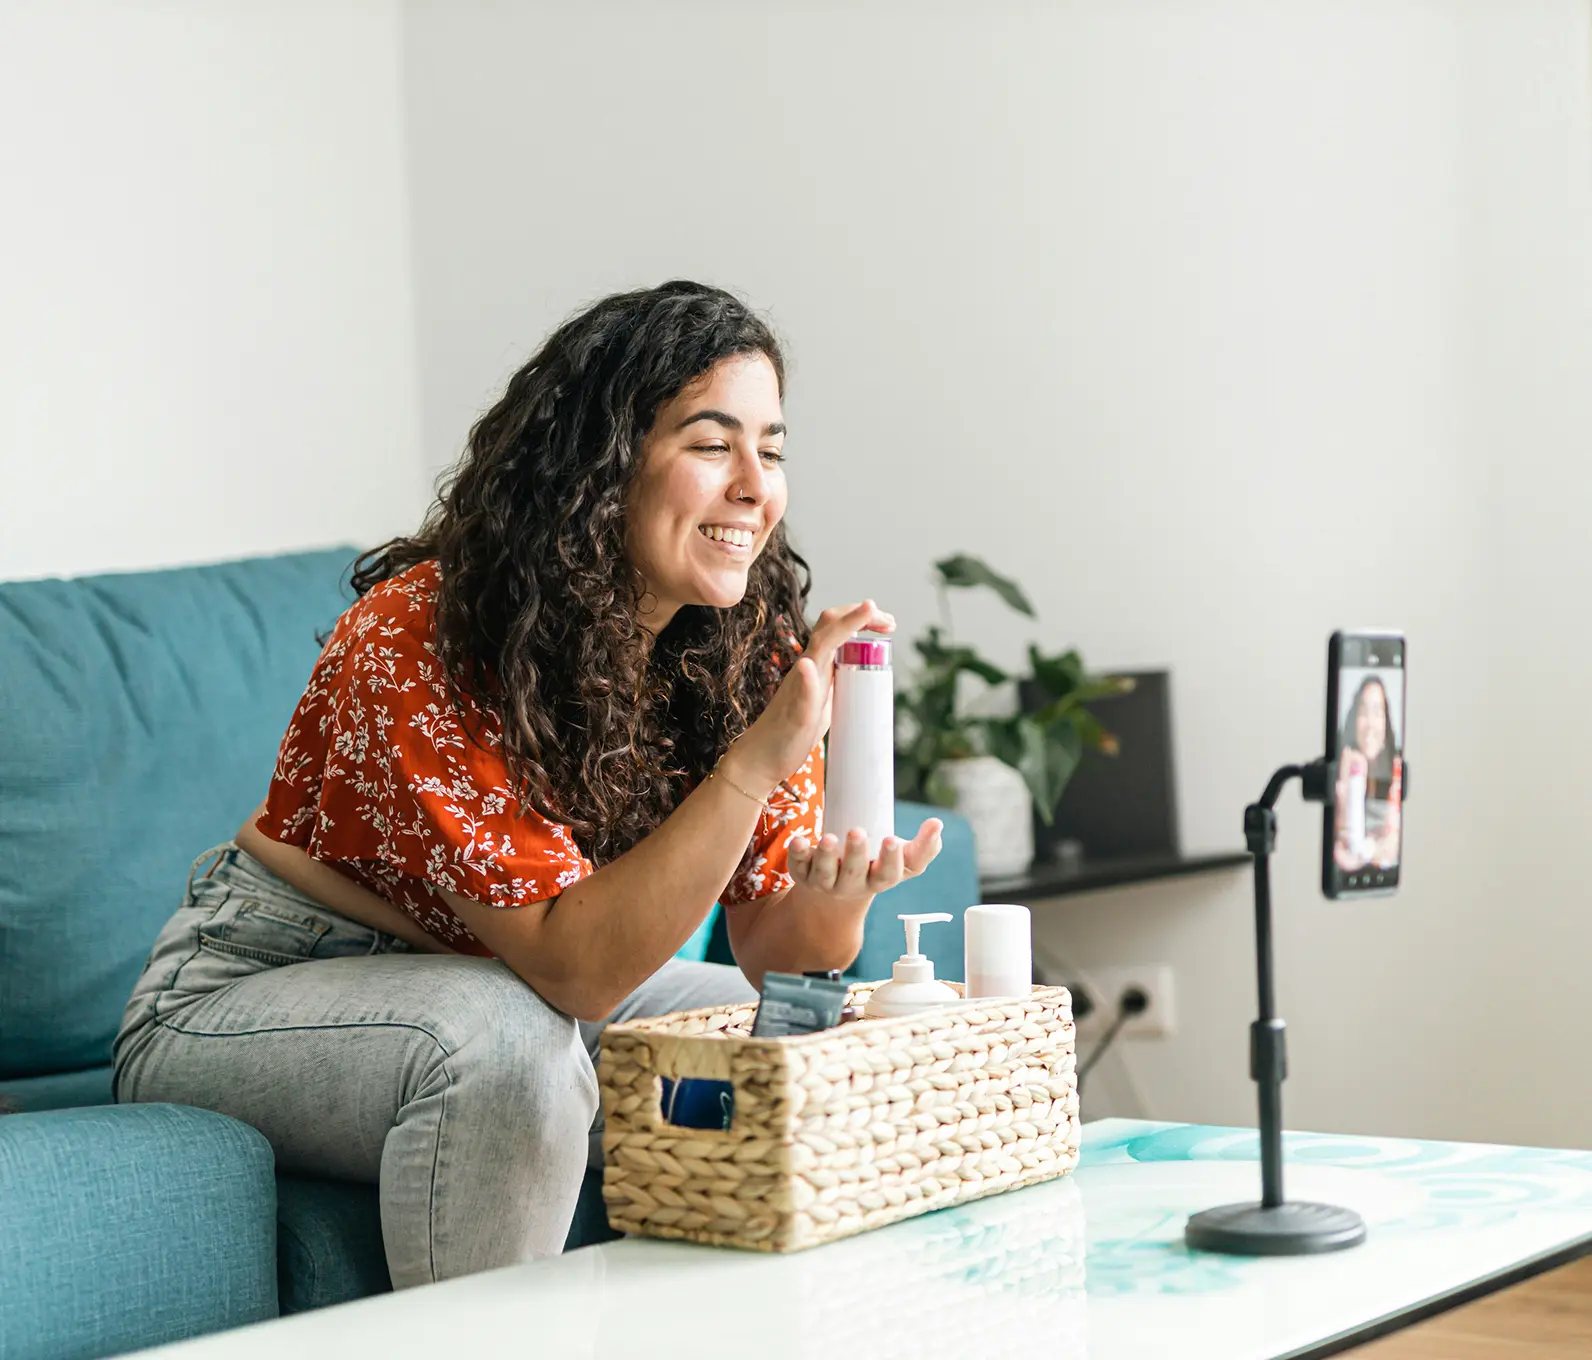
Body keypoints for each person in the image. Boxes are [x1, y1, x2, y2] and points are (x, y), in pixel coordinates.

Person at [113, 281, 943, 1287]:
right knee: (507, 1047)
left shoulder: (741, 653)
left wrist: (835, 895)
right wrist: (753, 764)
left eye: (769, 449)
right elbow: (575, 972)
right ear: (602, 463)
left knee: (775, 1049)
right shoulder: (420, 633)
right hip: (254, 988)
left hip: (507, 976)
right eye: (709, 442)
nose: (753, 487)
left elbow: (780, 960)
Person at [1332, 675, 1401, 871]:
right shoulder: (1343, 766)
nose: (1370, 724)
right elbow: (1341, 847)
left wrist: (1369, 852)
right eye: (1364, 711)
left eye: (1378, 712)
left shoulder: (1394, 770)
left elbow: (1392, 846)